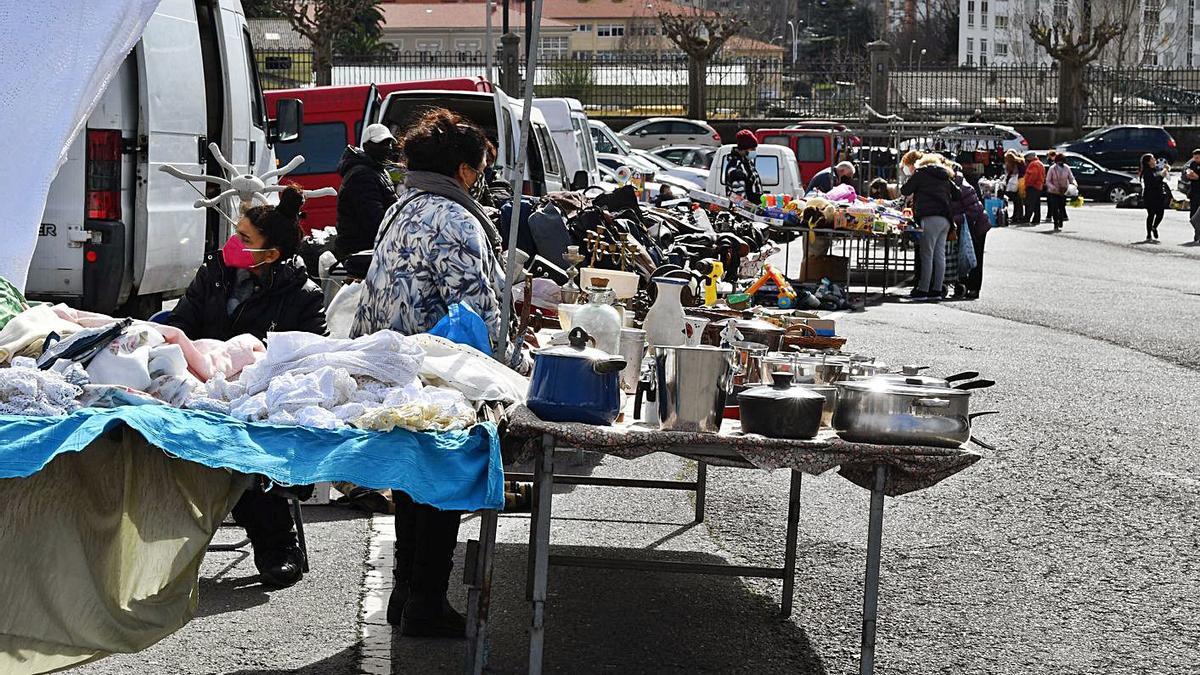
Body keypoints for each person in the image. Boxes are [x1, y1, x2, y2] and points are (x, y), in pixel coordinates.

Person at [351, 108, 525, 638]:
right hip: (437, 374)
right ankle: (426, 599)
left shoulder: (401, 209)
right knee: (446, 480)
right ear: (464, 170)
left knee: (412, 480)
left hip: (389, 365)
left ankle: (406, 593)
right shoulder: (457, 219)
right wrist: (514, 367)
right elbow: (477, 312)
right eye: (481, 166)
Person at [168, 186, 326, 588]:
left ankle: (278, 547)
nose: (232, 243)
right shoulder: (214, 273)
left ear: (270, 254)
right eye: (234, 233)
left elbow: (310, 360)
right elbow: (181, 325)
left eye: (244, 239)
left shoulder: (303, 297)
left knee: (245, 446)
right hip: (204, 387)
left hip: (262, 399)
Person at [332, 123, 400, 259]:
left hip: (370, 248)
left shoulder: (378, 169)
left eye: (389, 143)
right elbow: (374, 219)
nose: (387, 148)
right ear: (366, 145)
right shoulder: (362, 175)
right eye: (382, 143)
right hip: (361, 251)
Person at [901, 155, 960, 300]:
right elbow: (958, 194)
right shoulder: (945, 176)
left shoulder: (921, 174)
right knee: (940, 255)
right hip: (945, 219)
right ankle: (937, 290)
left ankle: (923, 289)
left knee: (926, 254)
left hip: (929, 216)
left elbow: (905, 190)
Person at [950, 164, 991, 300]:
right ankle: (965, 285)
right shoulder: (956, 185)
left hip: (977, 226)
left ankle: (974, 288)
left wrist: (953, 219)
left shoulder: (964, 187)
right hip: (968, 225)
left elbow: (972, 212)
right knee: (964, 255)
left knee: (975, 257)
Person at [723, 130, 763, 204]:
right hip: (745, 212)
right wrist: (750, 209)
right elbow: (739, 196)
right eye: (752, 149)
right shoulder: (736, 167)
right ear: (744, 149)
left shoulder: (747, 163)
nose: (754, 151)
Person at [1139, 153, 1169, 242]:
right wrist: (1162, 175)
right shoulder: (1147, 172)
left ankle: (1154, 227)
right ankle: (1148, 234)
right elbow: (1154, 182)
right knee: (1151, 214)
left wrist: (1165, 171)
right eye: (1152, 159)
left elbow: (1162, 177)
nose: (1154, 160)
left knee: (1160, 214)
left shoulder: (1156, 169)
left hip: (1159, 194)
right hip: (1150, 195)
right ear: (1148, 162)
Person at [1045, 152, 1076, 231]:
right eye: (1059, 161)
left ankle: (1061, 219)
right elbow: (1048, 181)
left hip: (1063, 191)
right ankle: (1055, 223)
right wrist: (1054, 188)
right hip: (1053, 192)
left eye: (1062, 161)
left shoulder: (1067, 168)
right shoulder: (1052, 168)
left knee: (1062, 207)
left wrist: (1074, 184)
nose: (1060, 163)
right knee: (1055, 208)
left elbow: (1071, 178)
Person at [1002, 150, 1026, 225]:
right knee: (1018, 202)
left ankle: (1017, 217)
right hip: (1020, 183)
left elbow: (1012, 173)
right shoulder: (1021, 162)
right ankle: (1018, 216)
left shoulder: (1015, 164)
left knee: (1017, 201)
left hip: (1017, 184)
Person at [1024, 151, 1046, 225]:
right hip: (1039, 186)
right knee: (1036, 204)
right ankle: (1036, 219)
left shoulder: (1033, 164)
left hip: (1032, 186)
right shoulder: (1040, 163)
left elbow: (1033, 175)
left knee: (1030, 203)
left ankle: (1027, 218)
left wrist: (1027, 184)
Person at [1185, 148, 1200, 243]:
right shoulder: (1193, 164)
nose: (1196, 160)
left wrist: (1197, 177)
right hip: (1194, 192)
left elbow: (1197, 177)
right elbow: (1189, 174)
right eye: (1194, 158)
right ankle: (1197, 232)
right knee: (1192, 216)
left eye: (1198, 158)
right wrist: (1189, 175)